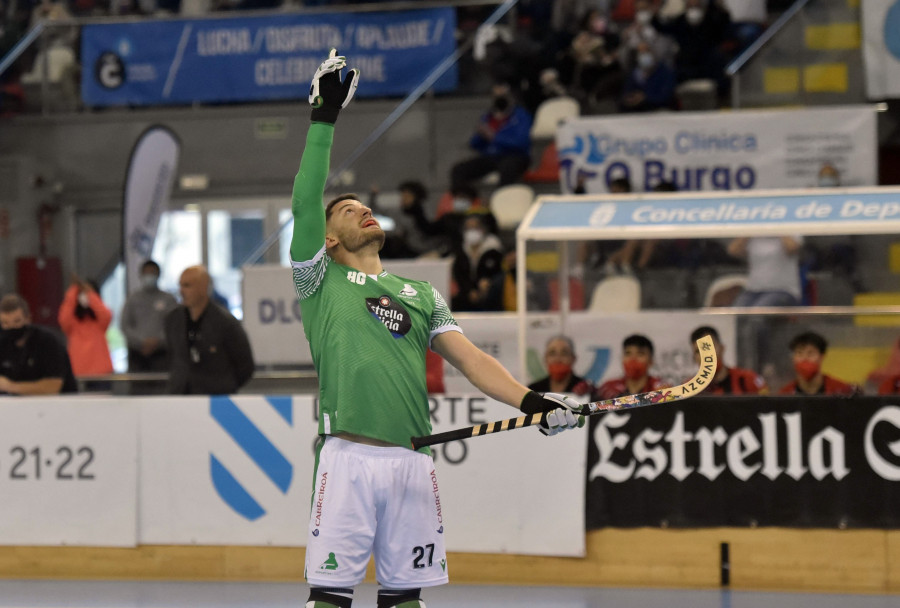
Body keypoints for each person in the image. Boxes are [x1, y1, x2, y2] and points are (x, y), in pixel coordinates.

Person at [290, 50, 584, 608]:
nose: (362, 211)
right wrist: (323, 124)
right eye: (347, 211)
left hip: (413, 462)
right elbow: (305, 198)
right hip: (346, 459)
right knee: (329, 599)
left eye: (364, 206)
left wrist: (535, 403)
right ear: (327, 240)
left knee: (406, 601)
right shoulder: (318, 284)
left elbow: (473, 361)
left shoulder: (420, 294)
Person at [164, 265, 254, 395]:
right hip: (180, 395)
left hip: (215, 396)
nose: (181, 291)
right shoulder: (173, 320)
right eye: (180, 285)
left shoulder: (225, 322)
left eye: (187, 286)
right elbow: (173, 356)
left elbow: (245, 366)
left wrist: (223, 385)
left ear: (203, 287)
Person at [449, 82, 533, 191]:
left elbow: (522, 143)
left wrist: (494, 137)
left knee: (507, 168)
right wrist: (481, 134)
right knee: (458, 170)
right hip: (492, 157)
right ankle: (466, 201)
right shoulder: (488, 116)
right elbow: (475, 145)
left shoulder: (521, 116)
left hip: (516, 156)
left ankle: (502, 203)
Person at [0, 293, 77, 394]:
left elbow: (53, 386)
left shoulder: (47, 342)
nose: (11, 327)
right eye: (5, 323)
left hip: (59, 405)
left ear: (28, 319)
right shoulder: (3, 344)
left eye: (17, 321)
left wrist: (10, 386)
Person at [121, 260, 179, 372]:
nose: (149, 277)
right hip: (137, 355)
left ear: (158, 275)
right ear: (141, 275)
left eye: (152, 273)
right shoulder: (132, 299)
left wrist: (157, 341)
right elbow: (125, 326)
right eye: (146, 273)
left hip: (162, 355)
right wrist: (141, 342)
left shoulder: (168, 299)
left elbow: (174, 326)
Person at [57, 276, 113, 376]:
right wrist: (74, 291)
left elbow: (106, 315)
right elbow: (63, 320)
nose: (85, 296)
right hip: (77, 371)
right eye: (82, 294)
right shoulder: (73, 323)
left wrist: (90, 295)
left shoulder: (99, 323)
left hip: (101, 371)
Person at [450, 211, 505, 312]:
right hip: (468, 295)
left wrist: (488, 283)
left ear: (483, 229)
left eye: (475, 228)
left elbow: (498, 272)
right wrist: (469, 291)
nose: (472, 231)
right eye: (468, 228)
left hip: (490, 296)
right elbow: (460, 275)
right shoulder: (461, 251)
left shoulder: (494, 250)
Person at [689, 325, 767, 395]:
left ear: (722, 348)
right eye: (698, 351)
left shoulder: (747, 380)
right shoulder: (689, 388)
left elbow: (768, 407)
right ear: (694, 357)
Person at [727, 236, 803, 307]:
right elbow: (733, 250)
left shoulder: (789, 227)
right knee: (735, 313)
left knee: (758, 313)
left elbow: (792, 247)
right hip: (753, 290)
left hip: (783, 290)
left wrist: (777, 226)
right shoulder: (754, 235)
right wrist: (751, 229)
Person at [778, 331, 858, 396]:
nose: (804, 358)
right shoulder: (785, 394)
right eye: (799, 353)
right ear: (793, 358)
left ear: (821, 357)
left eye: (810, 353)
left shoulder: (840, 391)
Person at [594, 334, 668, 400]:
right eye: (628, 353)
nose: (633, 359)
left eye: (640, 354)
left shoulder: (661, 390)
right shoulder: (608, 388)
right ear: (622, 359)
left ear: (651, 361)